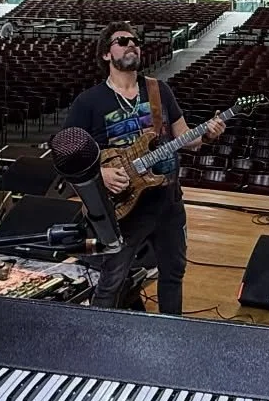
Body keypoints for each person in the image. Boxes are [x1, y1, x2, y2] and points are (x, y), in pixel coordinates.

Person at [63, 22, 224, 314]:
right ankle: (98, 336)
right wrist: (101, 174)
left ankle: (170, 333)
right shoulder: (89, 102)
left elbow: (186, 137)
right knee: (112, 279)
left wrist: (209, 132)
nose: (131, 45)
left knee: (173, 273)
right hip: (123, 207)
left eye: (135, 41)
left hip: (167, 200)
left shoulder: (157, 90)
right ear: (105, 54)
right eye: (121, 41)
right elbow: (65, 156)